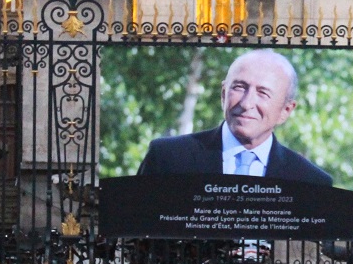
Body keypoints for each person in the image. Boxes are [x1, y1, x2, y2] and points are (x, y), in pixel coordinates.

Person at [137, 49, 332, 186]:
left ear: (286, 110)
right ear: (223, 94)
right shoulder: (167, 159)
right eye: (239, 87)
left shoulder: (309, 181)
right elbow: (132, 237)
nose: (246, 103)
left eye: (263, 93)